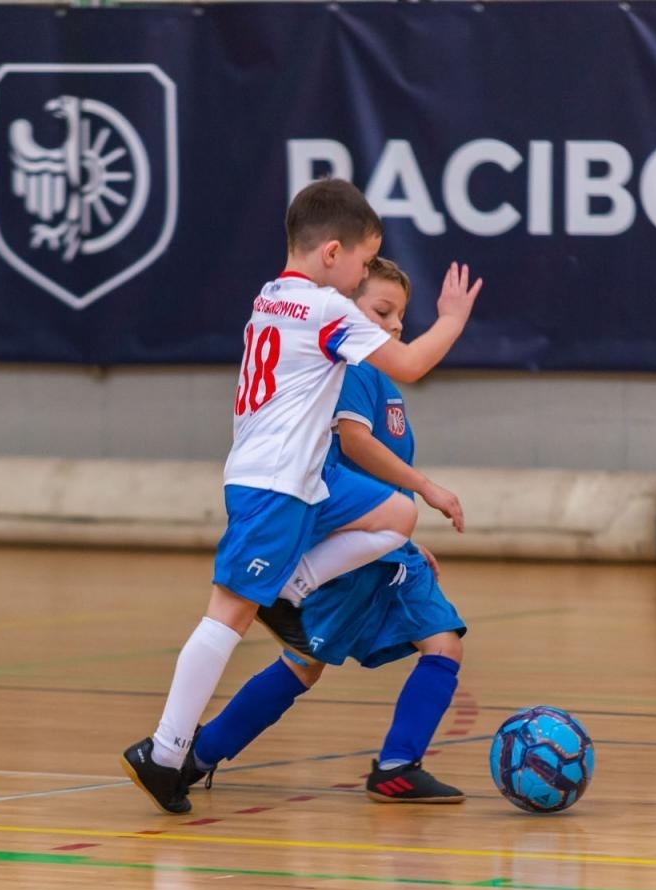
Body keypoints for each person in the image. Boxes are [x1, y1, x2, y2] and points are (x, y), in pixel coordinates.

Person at [120, 178, 482, 814]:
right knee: (224, 616)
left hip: (289, 479)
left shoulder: (271, 297)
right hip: (276, 484)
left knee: (398, 513)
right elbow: (408, 364)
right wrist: (451, 321)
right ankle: (169, 752)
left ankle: (292, 591)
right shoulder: (326, 310)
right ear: (334, 253)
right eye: (367, 262)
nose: (367, 272)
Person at [191, 257, 468, 802]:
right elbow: (355, 444)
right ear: (348, 309)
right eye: (380, 311)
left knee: (443, 643)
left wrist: (403, 536)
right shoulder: (350, 367)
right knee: (303, 665)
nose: (391, 326)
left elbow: (377, 487)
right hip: (348, 548)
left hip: (387, 546)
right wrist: (428, 491)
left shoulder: (380, 378)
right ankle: (198, 754)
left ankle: (397, 765)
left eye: (400, 318)